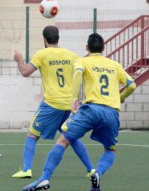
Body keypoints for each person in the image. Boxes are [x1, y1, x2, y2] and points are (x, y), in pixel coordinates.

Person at [22, 33, 136, 191]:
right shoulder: (114, 65)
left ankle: (44, 178)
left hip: (90, 110)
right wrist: (120, 98)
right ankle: (97, 174)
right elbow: (132, 85)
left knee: (63, 141)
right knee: (110, 150)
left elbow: (77, 73)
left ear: (87, 48)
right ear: (103, 48)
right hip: (111, 112)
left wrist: (74, 98)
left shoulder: (83, 61)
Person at [12, 25, 93, 179]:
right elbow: (83, 70)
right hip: (70, 104)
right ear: (58, 38)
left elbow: (25, 72)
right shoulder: (71, 55)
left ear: (44, 39)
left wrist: (20, 60)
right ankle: (91, 169)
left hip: (51, 104)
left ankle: (26, 169)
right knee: (71, 137)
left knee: (32, 135)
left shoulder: (42, 54)